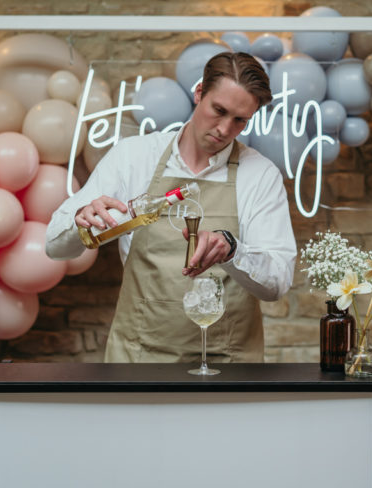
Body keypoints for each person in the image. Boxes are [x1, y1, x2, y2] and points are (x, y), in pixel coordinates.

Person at [46, 52, 296, 363]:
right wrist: (81, 224)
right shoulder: (133, 157)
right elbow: (54, 247)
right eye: (218, 110)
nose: (224, 129)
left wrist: (233, 251)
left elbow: (277, 283)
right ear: (199, 92)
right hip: (138, 360)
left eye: (240, 120)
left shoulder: (259, 175)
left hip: (227, 364)